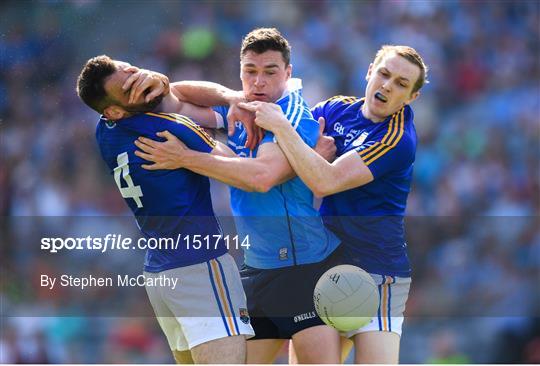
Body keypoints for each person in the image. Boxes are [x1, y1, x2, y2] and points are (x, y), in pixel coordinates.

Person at [131, 28, 343, 363]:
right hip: (256, 271)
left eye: (270, 72)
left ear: (288, 73)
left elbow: (261, 178)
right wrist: (230, 97)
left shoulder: (292, 114)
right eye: (250, 71)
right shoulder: (243, 110)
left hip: (304, 270)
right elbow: (173, 97)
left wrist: (184, 158)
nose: (259, 82)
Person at [238, 44, 428, 364]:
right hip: (323, 266)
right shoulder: (336, 108)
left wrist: (285, 129)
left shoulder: (397, 139)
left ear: (411, 97)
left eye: (401, 84)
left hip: (376, 274)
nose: (387, 86)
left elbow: (324, 180)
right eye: (384, 74)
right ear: (369, 71)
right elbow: (296, 149)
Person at [76, 55, 254, 364]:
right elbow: (246, 174)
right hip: (200, 267)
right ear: (115, 109)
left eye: (131, 70)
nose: (138, 79)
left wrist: (161, 84)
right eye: (129, 84)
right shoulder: (169, 129)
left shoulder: (104, 130)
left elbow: (175, 95)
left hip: (160, 275)